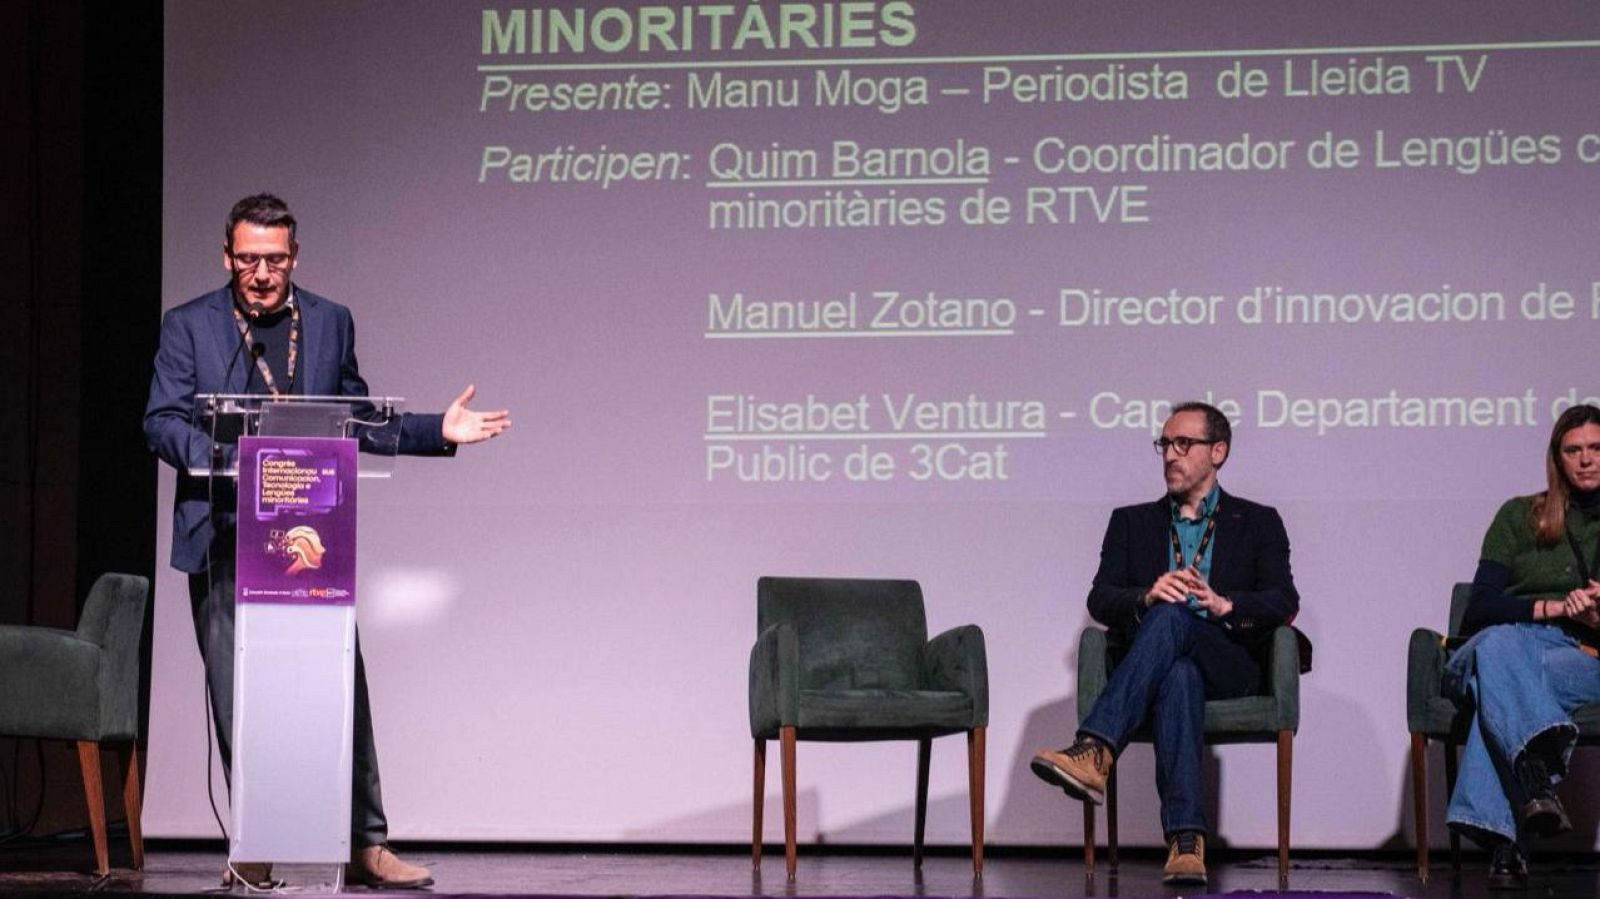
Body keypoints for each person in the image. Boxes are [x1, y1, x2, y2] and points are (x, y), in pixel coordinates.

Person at [144, 194, 511, 889]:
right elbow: (161, 421)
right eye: (247, 260)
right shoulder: (189, 326)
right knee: (239, 697)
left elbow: (356, 417)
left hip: (309, 536)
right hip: (224, 536)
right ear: (226, 257)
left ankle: (365, 844)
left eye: (274, 260)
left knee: (342, 686)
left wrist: (435, 431)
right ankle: (255, 843)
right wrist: (229, 459)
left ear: (294, 257)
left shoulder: (330, 321)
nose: (261, 274)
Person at [1029, 401, 1299, 886]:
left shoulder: (1258, 521)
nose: (1170, 454)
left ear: (1218, 451)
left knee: (1177, 620)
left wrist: (1224, 605)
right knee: (1178, 672)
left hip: (1228, 660)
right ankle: (1186, 843)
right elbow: (1100, 597)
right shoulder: (1131, 521)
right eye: (1165, 444)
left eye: (1184, 444)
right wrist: (1146, 596)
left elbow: (1283, 599)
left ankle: (1096, 748)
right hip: (1161, 667)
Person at [1444, 403, 1600, 889]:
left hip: (1583, 657)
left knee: (1498, 684)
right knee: (1497, 648)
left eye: (1596, 448)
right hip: (1506, 641)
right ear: (1557, 457)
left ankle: (1505, 841)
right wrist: (1556, 608)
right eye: (1573, 450)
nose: (1586, 460)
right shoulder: (1519, 515)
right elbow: (1480, 608)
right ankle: (1532, 782)